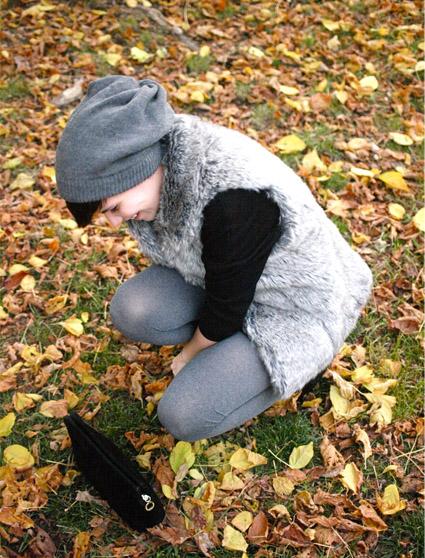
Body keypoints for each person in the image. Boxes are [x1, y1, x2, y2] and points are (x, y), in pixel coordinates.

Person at [55, 75, 373, 442]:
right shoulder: (165, 164)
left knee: (182, 415)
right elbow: (221, 280)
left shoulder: (231, 201)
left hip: (297, 307)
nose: (114, 220)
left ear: (137, 167)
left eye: (112, 207)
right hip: (228, 280)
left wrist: (190, 354)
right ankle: (230, 358)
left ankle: (287, 368)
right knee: (133, 309)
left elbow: (226, 305)